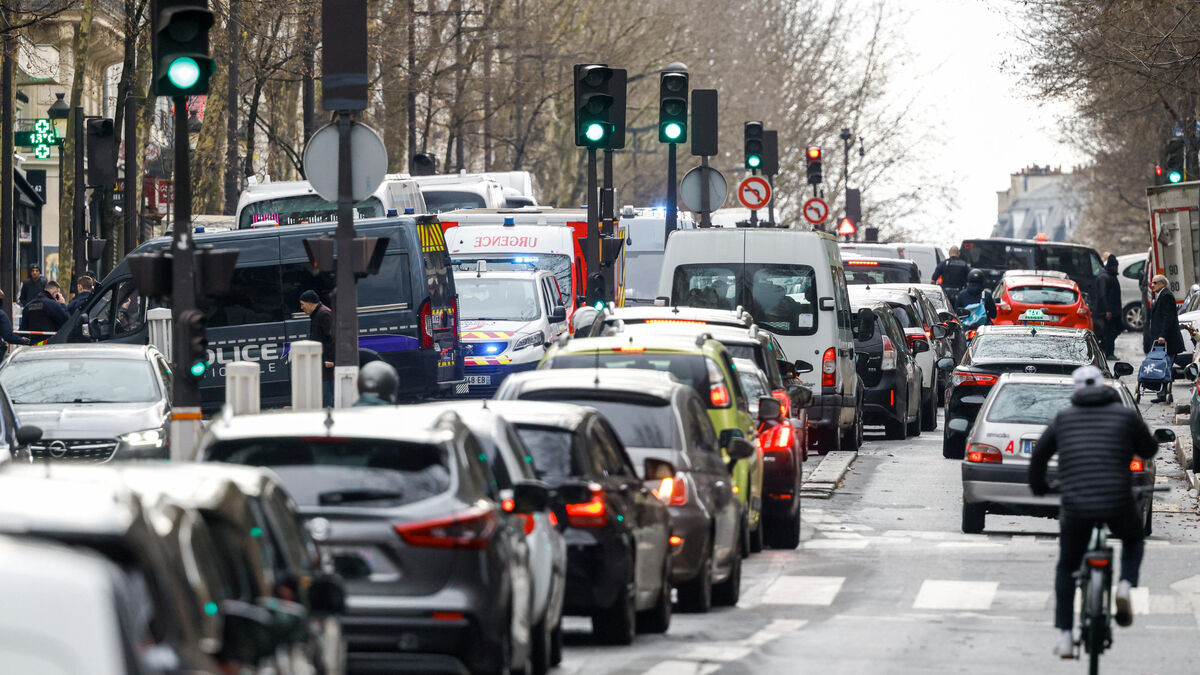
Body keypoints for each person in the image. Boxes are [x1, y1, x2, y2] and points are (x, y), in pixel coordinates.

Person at [1028, 364, 1158, 658]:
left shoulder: (1063, 419)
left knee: (1066, 567)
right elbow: (1149, 450)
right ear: (1103, 387)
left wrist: (1040, 487)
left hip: (1076, 505)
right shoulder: (1125, 417)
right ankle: (1125, 585)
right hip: (1118, 501)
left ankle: (1064, 636)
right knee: (1133, 539)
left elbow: (1039, 457)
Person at [1146, 274, 1184, 402]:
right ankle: (1163, 393)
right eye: (1152, 283)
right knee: (1163, 366)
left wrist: (1163, 335)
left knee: (1165, 367)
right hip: (1163, 339)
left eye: (1155, 283)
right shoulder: (1162, 295)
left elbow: (1168, 317)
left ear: (1163, 284)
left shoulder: (1166, 295)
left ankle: (1165, 394)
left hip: (1168, 340)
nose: (1152, 285)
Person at [299, 290, 335, 406]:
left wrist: (332, 360)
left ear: (310, 303)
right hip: (323, 362)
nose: (301, 308)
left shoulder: (323, 314)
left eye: (302, 304)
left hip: (327, 363)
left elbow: (334, 339)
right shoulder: (317, 314)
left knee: (326, 394)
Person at [1096, 254, 1122, 359]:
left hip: (1114, 309)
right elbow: (1103, 295)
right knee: (1110, 331)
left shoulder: (1110, 276)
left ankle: (1104, 346)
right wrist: (1107, 310)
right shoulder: (1105, 277)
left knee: (1117, 329)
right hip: (1109, 310)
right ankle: (1108, 352)